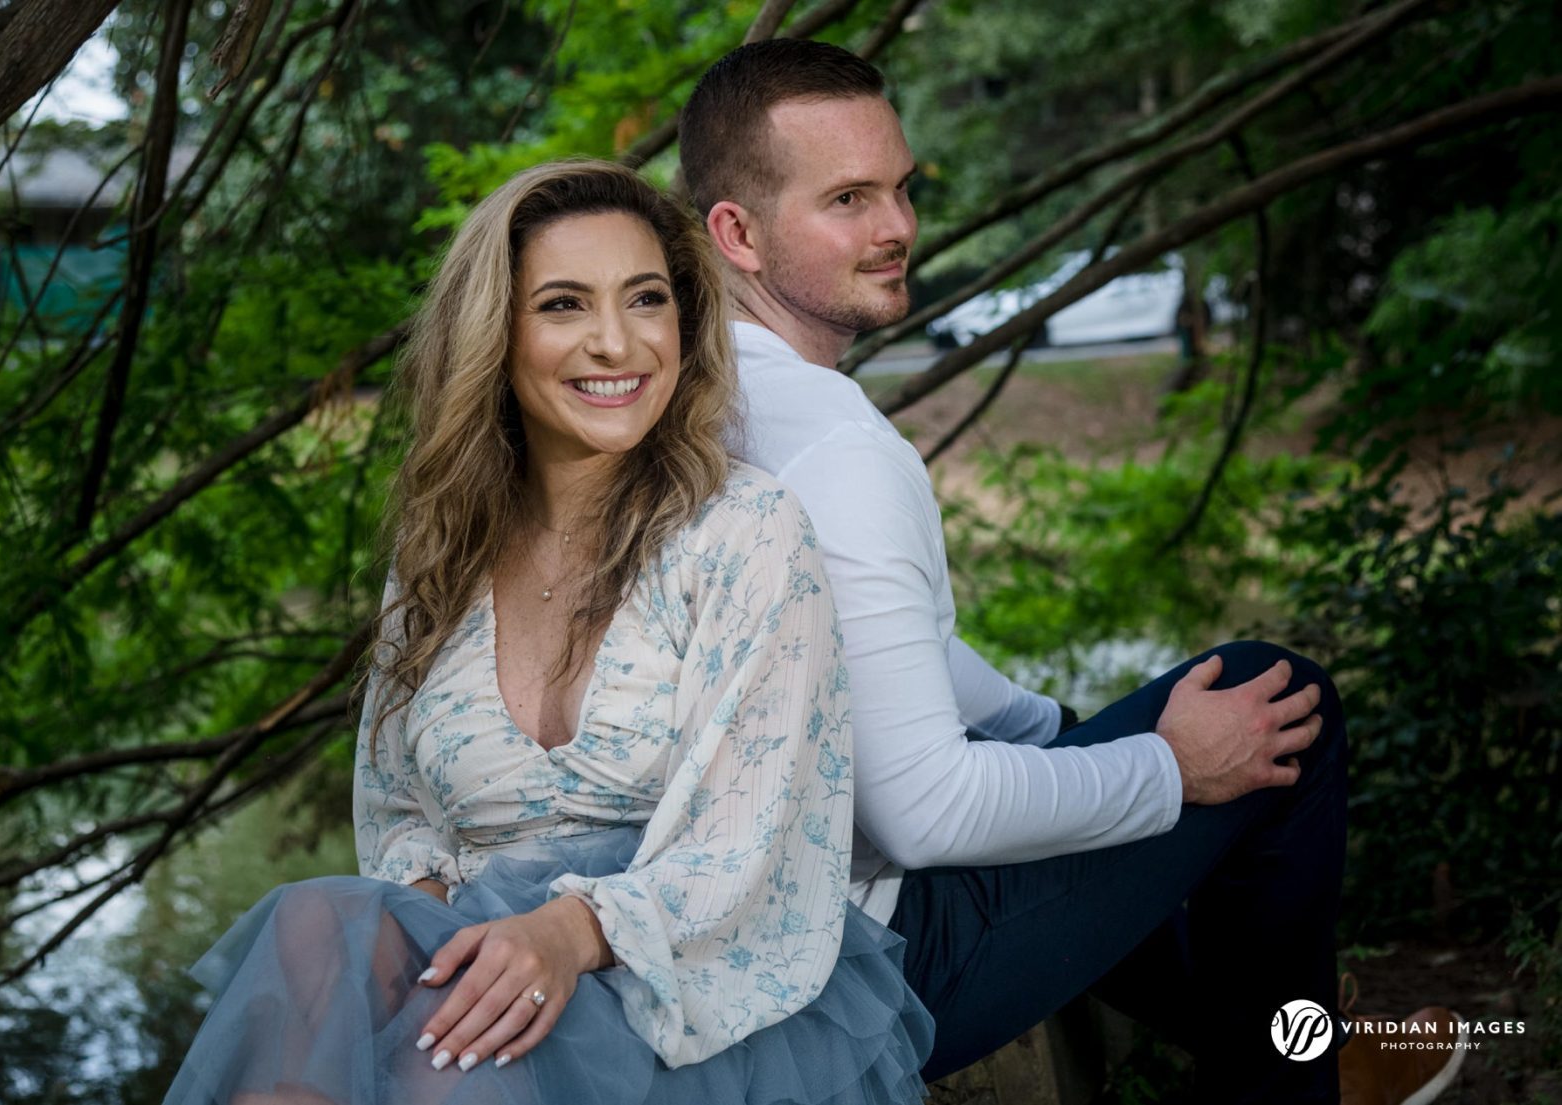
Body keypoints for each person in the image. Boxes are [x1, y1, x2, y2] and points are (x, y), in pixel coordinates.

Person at [678, 38, 1461, 1105]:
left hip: (755, 912)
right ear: (738, 232)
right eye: (849, 199)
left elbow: (876, 645)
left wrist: (1057, 730)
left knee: (1073, 761)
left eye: (902, 189)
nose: (899, 227)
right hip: (866, 971)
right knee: (1277, 697)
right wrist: (1170, 769)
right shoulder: (839, 446)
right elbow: (924, 816)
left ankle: (1304, 1062)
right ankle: (1296, 1091)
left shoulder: (681, 395)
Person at [162, 160, 932, 1105]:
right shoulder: (440, 542)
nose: (617, 343)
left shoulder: (746, 529)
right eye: (565, 305)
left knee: (451, 1075)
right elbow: (397, 803)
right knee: (314, 924)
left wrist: (566, 935)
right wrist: (440, 937)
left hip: (673, 971)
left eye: (645, 300)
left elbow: (752, 838)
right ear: (498, 335)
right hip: (483, 940)